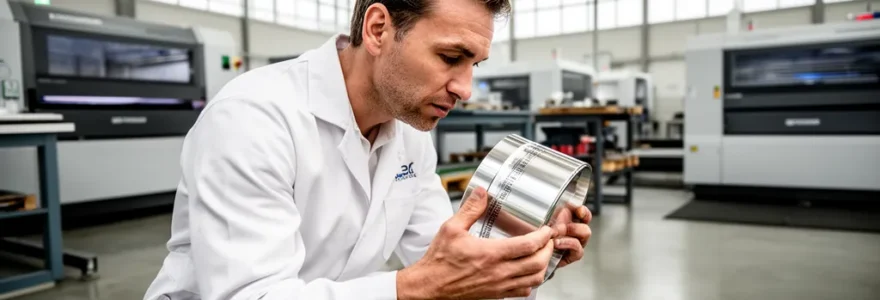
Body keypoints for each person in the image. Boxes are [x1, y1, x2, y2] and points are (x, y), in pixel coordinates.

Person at [144, 0, 592, 299]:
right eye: (450, 57)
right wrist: (413, 287)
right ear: (378, 29)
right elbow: (254, 296)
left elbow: (445, 260)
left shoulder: (411, 133)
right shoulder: (253, 118)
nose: (465, 89)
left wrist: (526, 246)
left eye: (474, 64)